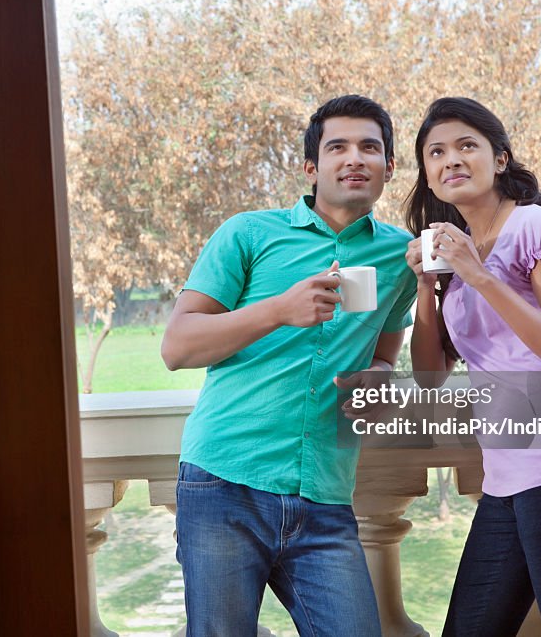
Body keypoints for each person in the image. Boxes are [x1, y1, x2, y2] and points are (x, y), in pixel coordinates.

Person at [161, 94, 418, 635]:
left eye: (370, 147)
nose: (355, 158)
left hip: (325, 494)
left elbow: (383, 354)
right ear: (311, 167)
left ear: (389, 167)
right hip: (225, 484)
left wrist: (377, 378)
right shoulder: (249, 234)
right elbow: (178, 347)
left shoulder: (400, 257)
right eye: (338, 147)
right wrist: (280, 310)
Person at [403, 97, 541, 637]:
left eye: (465, 146)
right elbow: (430, 375)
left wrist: (478, 275)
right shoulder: (457, 256)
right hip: (506, 481)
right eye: (436, 152)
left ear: (499, 159)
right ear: (428, 175)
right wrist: (427, 288)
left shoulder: (531, 227)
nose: (451, 159)